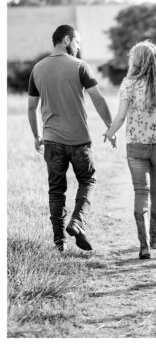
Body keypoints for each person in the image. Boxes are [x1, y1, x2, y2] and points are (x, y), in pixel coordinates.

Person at [28, 24, 114, 251]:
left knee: (56, 190)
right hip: (79, 141)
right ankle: (77, 221)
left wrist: (37, 136)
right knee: (88, 180)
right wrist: (110, 127)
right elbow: (97, 98)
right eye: (77, 42)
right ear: (66, 39)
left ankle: (60, 243)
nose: (79, 47)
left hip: (52, 142)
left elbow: (31, 108)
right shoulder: (80, 66)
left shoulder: (37, 69)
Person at [104, 41, 156, 259]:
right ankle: (155, 236)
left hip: (136, 146)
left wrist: (109, 133)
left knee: (140, 192)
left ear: (136, 61)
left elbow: (120, 117)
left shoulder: (128, 84)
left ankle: (144, 245)